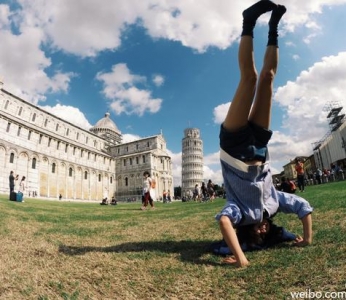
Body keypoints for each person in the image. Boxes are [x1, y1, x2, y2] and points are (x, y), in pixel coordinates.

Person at [215, 1, 313, 268]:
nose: (263, 230)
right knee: (268, 78)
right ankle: (273, 28)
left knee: (249, 78)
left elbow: (224, 222)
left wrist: (241, 258)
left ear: (247, 232)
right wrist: (306, 239)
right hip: (259, 147)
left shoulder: (239, 214)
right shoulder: (274, 205)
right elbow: (303, 207)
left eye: (258, 234)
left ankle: (248, 21)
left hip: (234, 149)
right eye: (267, 233)